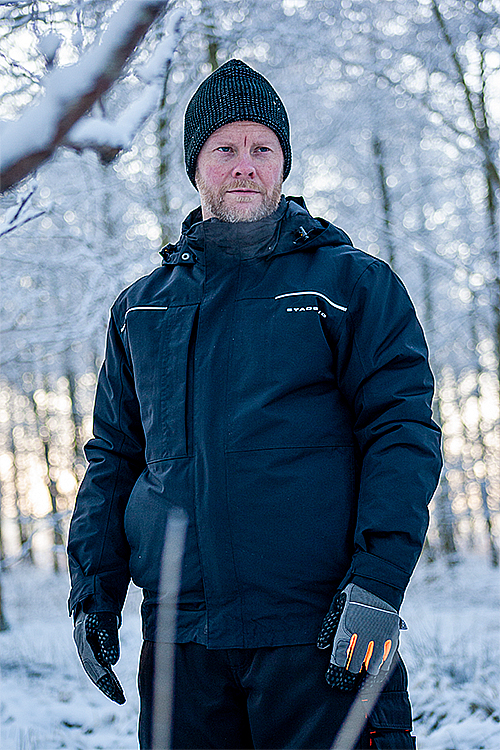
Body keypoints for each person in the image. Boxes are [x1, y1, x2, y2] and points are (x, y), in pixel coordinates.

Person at [68, 59, 442, 749]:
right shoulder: (140, 309)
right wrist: (94, 592)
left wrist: (378, 582)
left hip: (321, 632)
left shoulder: (351, 287)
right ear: (195, 166)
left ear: (283, 164)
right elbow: (113, 459)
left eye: (262, 148)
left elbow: (401, 432)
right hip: (182, 647)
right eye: (225, 148)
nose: (244, 165)